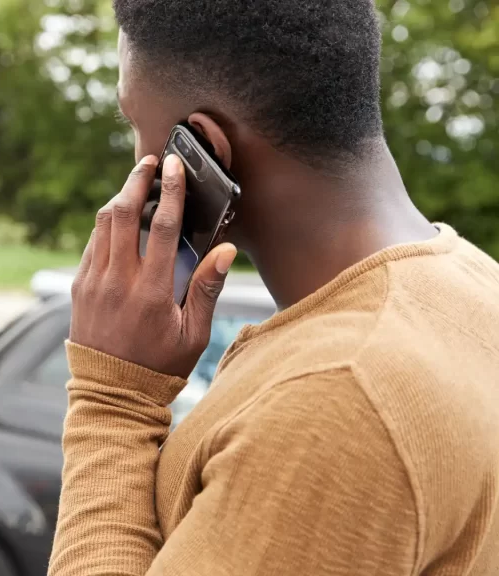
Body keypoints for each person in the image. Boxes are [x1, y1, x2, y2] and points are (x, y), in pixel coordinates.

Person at [49, 1, 499, 575]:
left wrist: (111, 396)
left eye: (137, 126)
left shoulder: (338, 396)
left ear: (204, 146)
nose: (138, 159)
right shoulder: (477, 286)